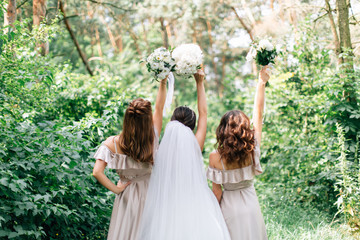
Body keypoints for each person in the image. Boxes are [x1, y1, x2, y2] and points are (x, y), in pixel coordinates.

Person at [138, 69, 230, 240]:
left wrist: (163, 82)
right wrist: (199, 82)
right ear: (192, 127)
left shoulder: (158, 147)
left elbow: (157, 110)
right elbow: (204, 114)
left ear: (172, 121)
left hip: (166, 208)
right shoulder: (196, 145)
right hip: (195, 206)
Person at [92, 78, 167, 240]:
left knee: (125, 233)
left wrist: (117, 189)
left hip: (127, 195)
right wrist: (163, 82)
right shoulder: (152, 137)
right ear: (148, 120)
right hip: (151, 194)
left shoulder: (113, 143)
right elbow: (159, 107)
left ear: (127, 118)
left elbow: (97, 172)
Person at [207, 66, 270, 240]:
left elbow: (217, 192)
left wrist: (213, 215)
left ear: (222, 130)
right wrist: (261, 83)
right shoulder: (252, 147)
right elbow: (258, 112)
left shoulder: (215, 157)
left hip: (229, 209)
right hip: (251, 205)